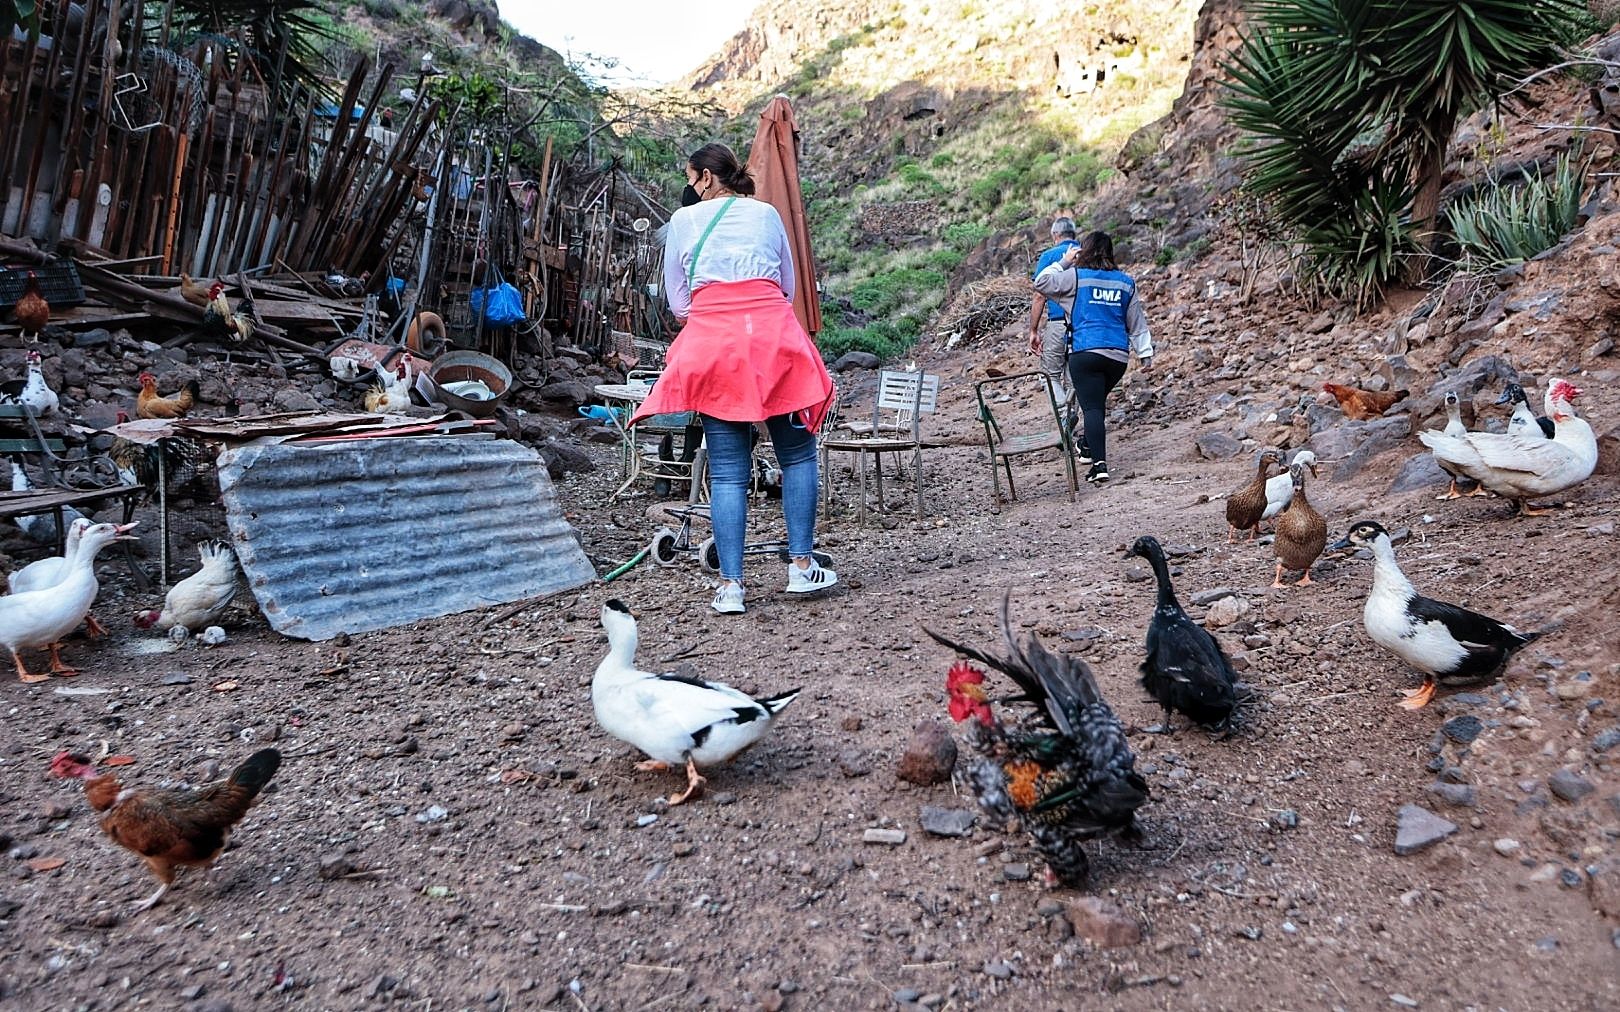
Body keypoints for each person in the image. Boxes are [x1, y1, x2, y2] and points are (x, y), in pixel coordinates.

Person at [632, 142, 838, 615]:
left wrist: (719, 311)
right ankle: (802, 568)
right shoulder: (766, 214)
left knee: (727, 470)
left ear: (705, 178)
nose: (689, 187)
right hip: (771, 341)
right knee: (798, 453)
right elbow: (786, 287)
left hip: (714, 347)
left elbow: (679, 305)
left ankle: (730, 588)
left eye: (690, 178)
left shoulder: (683, 222)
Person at [1032, 230, 1152, 484]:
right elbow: (1137, 322)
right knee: (1095, 403)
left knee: (1093, 408)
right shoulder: (1125, 282)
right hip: (1117, 357)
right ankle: (1086, 445)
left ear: (1083, 251)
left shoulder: (1075, 277)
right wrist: (1145, 354)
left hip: (1085, 353)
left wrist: (1065, 261)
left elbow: (1041, 283)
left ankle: (1099, 466)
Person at [1027, 216, 1080, 418]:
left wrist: (1034, 330)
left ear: (1055, 235)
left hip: (1058, 323)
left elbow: (1039, 294)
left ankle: (1065, 416)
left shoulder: (1050, 256)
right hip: (1084, 324)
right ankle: (1072, 413)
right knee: (1074, 375)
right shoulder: (1088, 252)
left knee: (1049, 375)